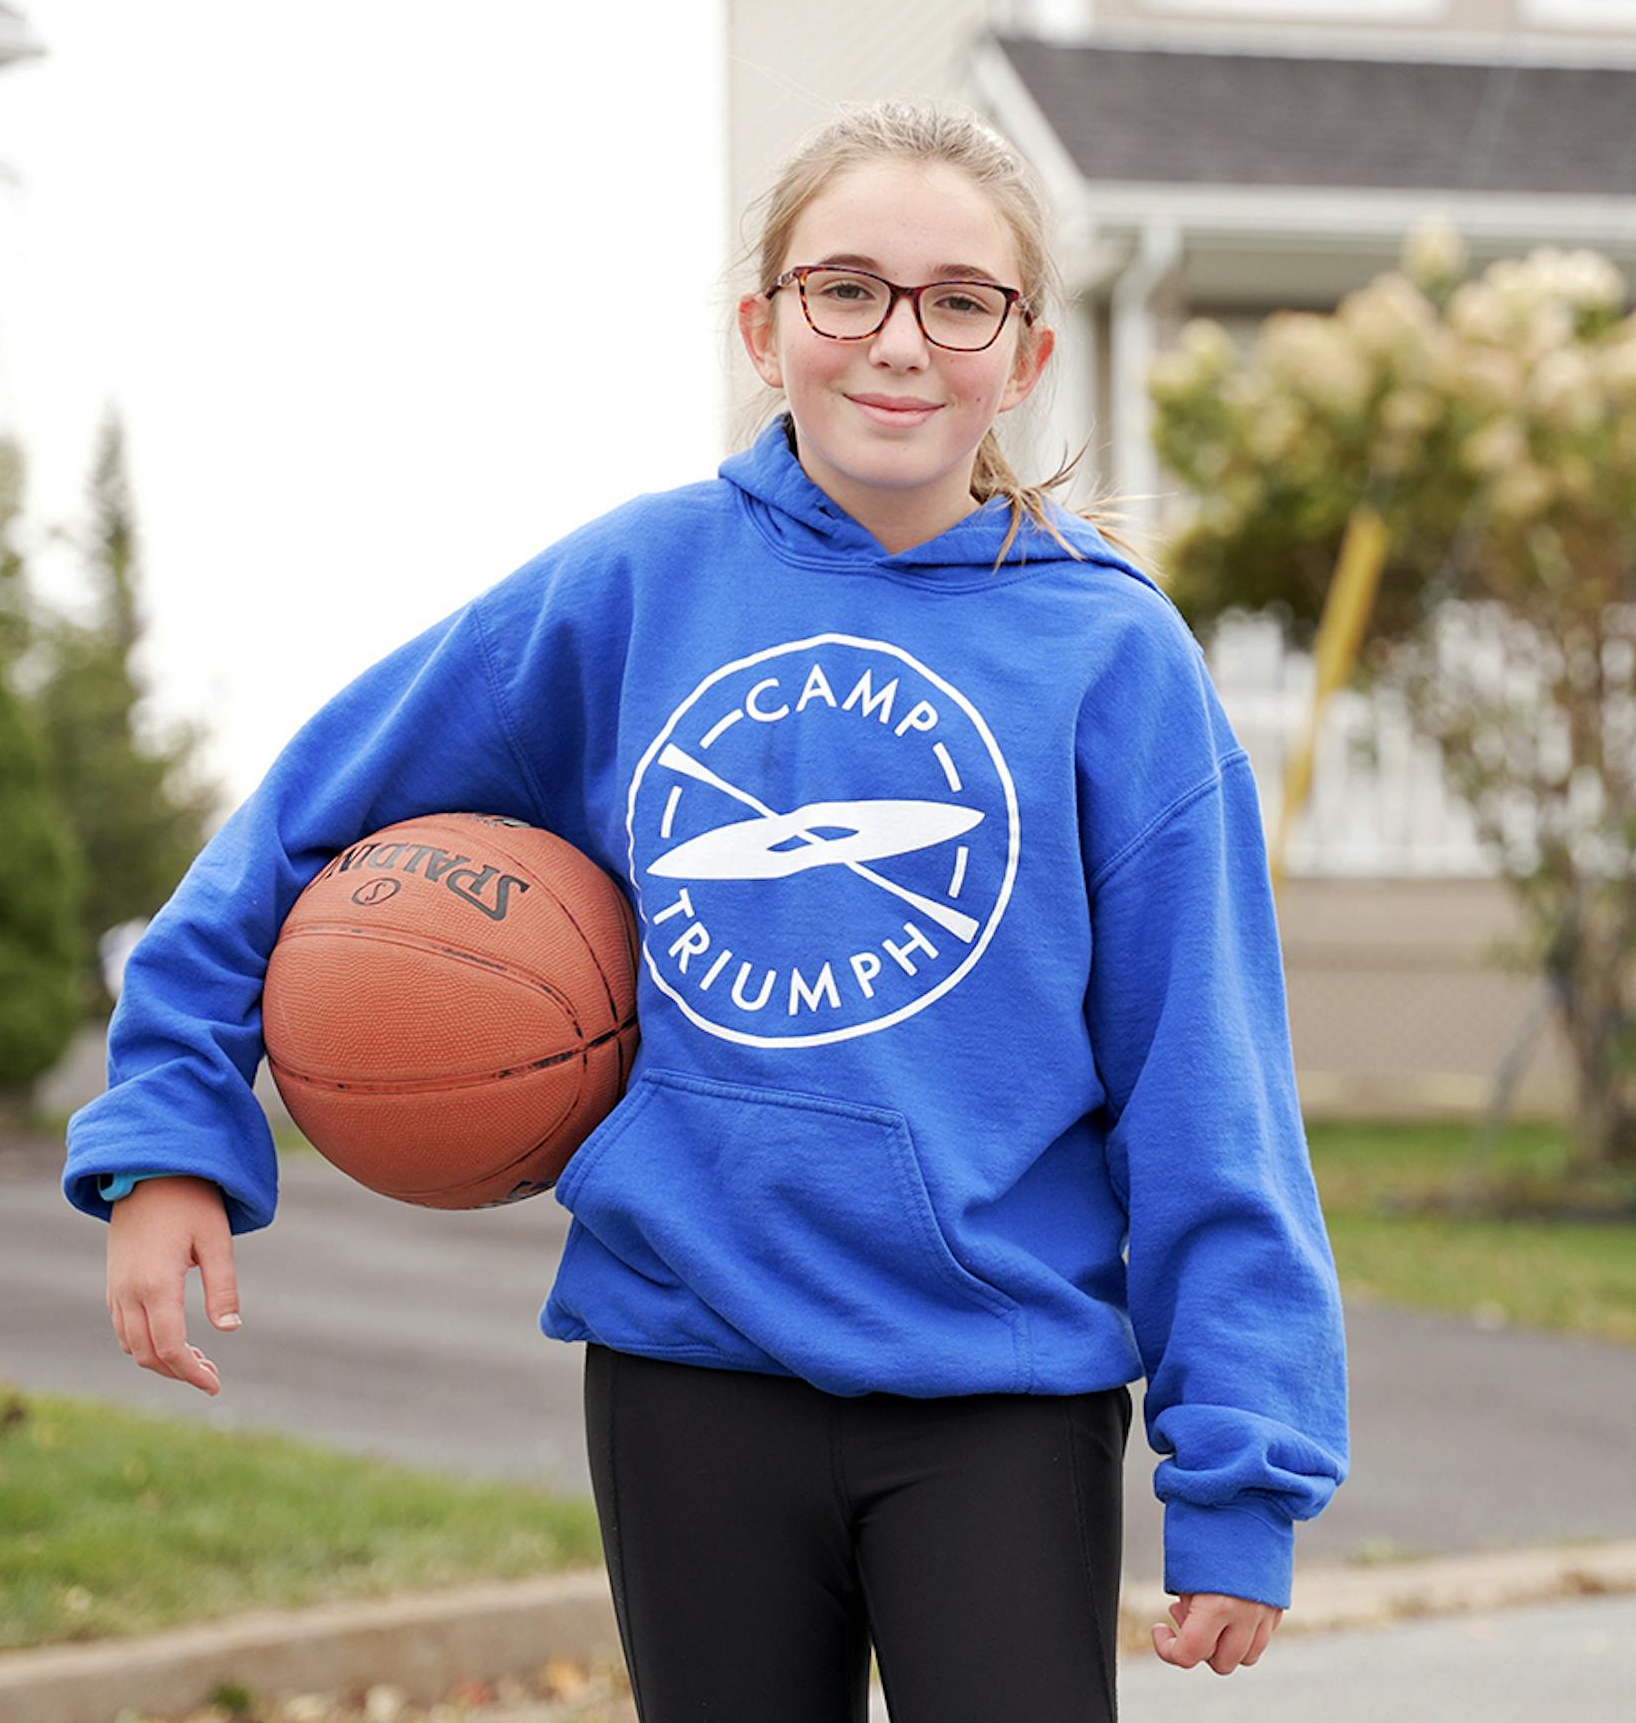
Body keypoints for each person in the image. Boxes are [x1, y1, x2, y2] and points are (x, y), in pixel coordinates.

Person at [67, 97, 1350, 1721]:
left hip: (995, 1393)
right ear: (767, 325)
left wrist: (1242, 1462)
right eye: (848, 289)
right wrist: (175, 1119)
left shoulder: (1111, 660)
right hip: (687, 1370)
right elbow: (307, 815)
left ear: (1023, 356)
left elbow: (1207, 1077)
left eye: (962, 300)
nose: (901, 340)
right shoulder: (634, 585)